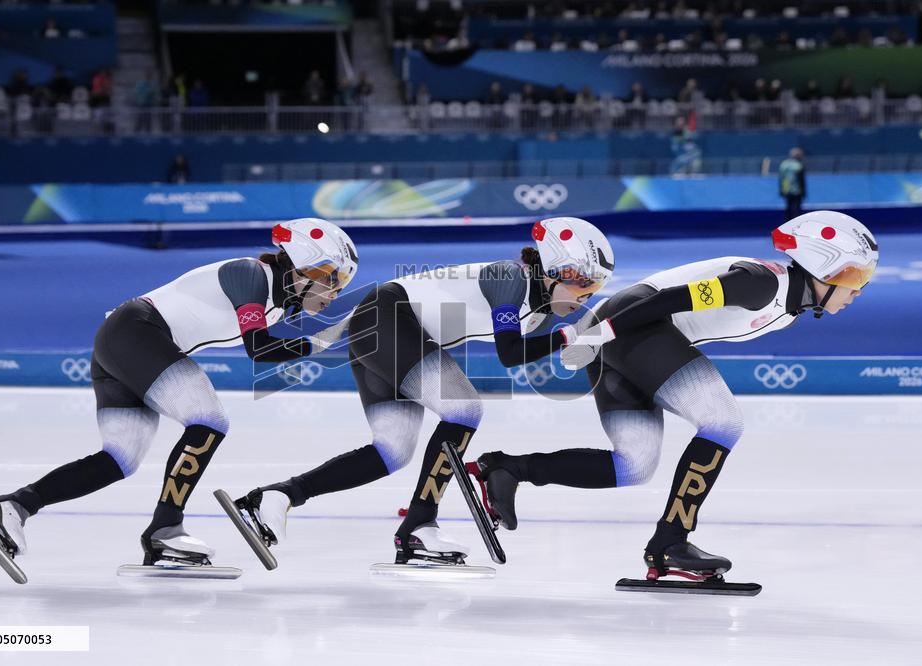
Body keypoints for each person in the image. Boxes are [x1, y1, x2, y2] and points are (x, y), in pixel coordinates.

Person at [471, 211, 879, 582]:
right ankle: (670, 543)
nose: (857, 291)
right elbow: (665, 300)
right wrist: (595, 336)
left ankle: (507, 469)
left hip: (622, 333)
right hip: (629, 325)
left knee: (633, 465)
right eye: (852, 278)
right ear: (819, 268)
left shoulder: (787, 307)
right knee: (723, 420)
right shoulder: (761, 283)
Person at [0, 219, 359, 574]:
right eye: (330, 278)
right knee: (209, 421)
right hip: (138, 333)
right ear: (301, 263)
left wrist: (322, 341)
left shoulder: (274, 304)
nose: (333, 293)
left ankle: (12, 507)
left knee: (119, 459)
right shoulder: (251, 274)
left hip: (127, 339)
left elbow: (266, 346)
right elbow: (260, 350)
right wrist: (322, 343)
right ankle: (165, 527)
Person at [222, 217, 615, 567]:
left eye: (595, 286)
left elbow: (518, 350)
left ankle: (277, 496)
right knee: (463, 409)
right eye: (583, 282)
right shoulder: (509, 278)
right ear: (552, 269)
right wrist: (572, 335)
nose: (588, 295)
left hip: (387, 327)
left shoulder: (539, 305)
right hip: (389, 319)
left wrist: (572, 337)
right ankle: (420, 522)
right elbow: (510, 354)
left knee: (392, 451)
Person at [779, 147, 806, 221]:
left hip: (787, 191)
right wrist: (803, 192)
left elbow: (781, 179)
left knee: (788, 208)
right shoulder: (798, 166)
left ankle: (787, 224)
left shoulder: (784, 165)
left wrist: (782, 190)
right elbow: (801, 180)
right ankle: (797, 224)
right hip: (797, 191)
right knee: (797, 209)